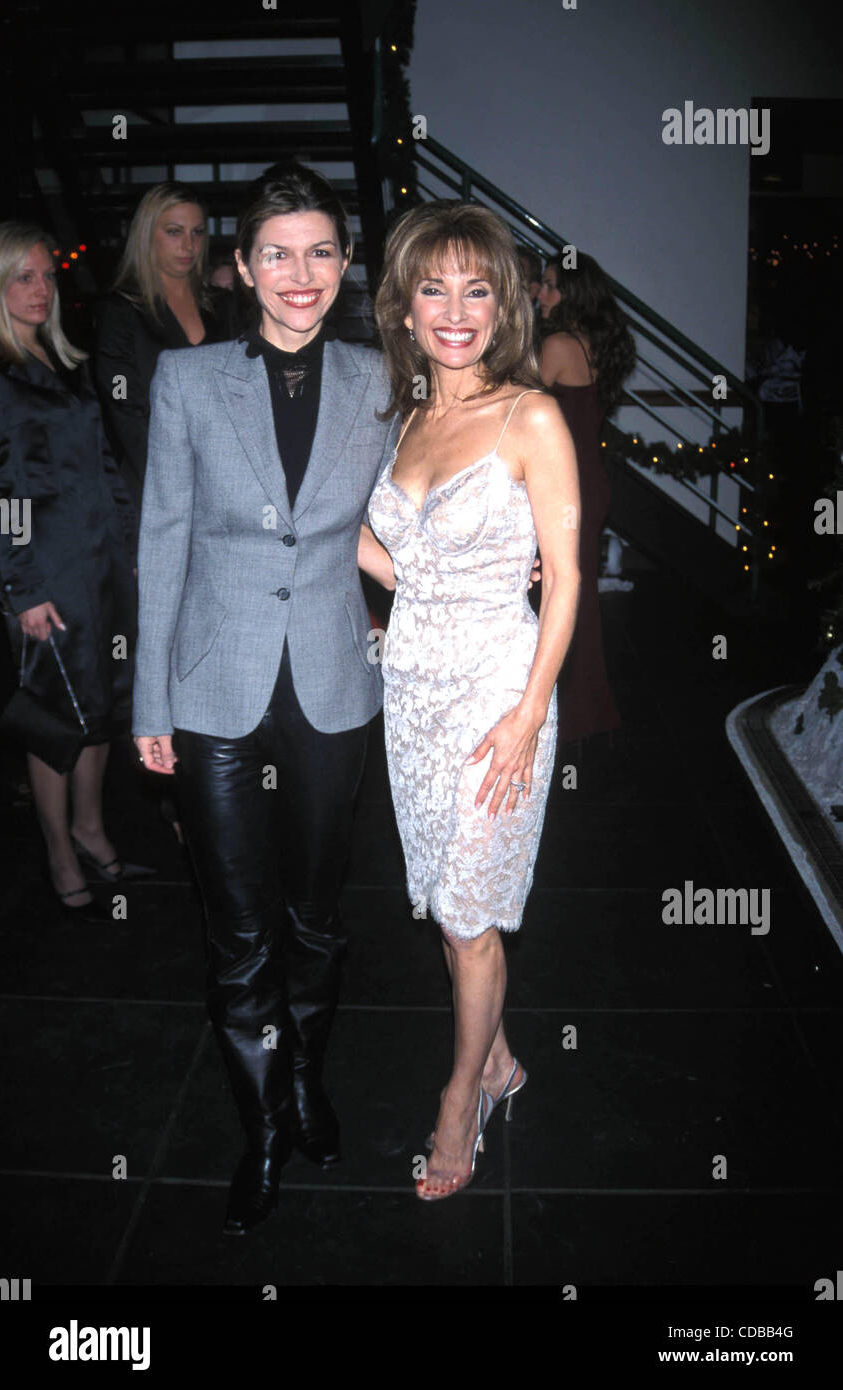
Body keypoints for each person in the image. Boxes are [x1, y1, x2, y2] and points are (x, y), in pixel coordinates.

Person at [131, 163, 400, 1236]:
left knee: (317, 919)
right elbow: (160, 544)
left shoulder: (381, 379)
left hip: (335, 682)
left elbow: (397, 528)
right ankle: (262, 1133)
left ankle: (303, 1081)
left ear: (345, 266)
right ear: (242, 266)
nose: (301, 274)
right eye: (276, 254)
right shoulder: (188, 380)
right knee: (238, 931)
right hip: (213, 685)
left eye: (321, 252)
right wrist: (148, 700)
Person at [367, 201, 581, 1200]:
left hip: (500, 693)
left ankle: (462, 1102)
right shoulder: (407, 414)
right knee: (449, 919)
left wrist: (531, 711)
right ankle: (496, 1059)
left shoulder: (528, 413)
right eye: (433, 287)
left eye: (477, 287)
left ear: (503, 308)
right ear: (405, 307)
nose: (455, 308)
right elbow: (384, 551)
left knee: (470, 910)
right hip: (410, 695)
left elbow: (568, 576)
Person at [0, 223, 143, 919]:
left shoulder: (64, 360)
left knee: (104, 704)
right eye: (23, 276)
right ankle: (58, 849)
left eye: (47, 276)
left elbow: (106, 463)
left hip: (101, 565)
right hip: (46, 573)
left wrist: (128, 547)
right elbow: (7, 497)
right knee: (57, 717)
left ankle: (91, 826)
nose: (40, 289)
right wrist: (23, 589)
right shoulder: (3, 375)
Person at [538, 251, 635, 743]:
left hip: (563, 488)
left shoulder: (556, 343)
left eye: (551, 285)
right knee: (574, 595)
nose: (542, 293)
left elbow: (508, 401)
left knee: (556, 595)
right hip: (586, 482)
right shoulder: (594, 341)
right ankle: (581, 707)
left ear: (574, 293)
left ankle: (570, 711)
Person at [93, 182, 234, 512]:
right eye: (174, 232)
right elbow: (123, 408)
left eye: (197, 232)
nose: (188, 245)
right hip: (150, 486)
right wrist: (179, 482)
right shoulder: (121, 311)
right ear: (147, 235)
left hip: (222, 483)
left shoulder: (222, 306)